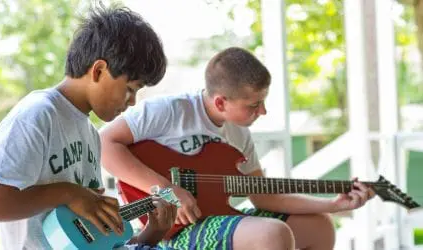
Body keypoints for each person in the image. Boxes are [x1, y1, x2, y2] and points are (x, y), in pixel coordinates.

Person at [99, 47, 375, 250]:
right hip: (174, 230)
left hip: (219, 218)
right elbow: (105, 144)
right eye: (254, 104)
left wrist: (333, 205)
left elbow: (265, 197)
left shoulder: (239, 134)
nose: (263, 111)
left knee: (319, 226)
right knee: (272, 235)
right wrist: (167, 189)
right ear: (220, 102)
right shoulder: (168, 111)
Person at [0, 5, 177, 250]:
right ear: (99, 70)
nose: (132, 101)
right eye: (130, 89)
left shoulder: (90, 135)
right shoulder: (39, 114)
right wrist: (68, 193)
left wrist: (152, 233)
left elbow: (96, 242)